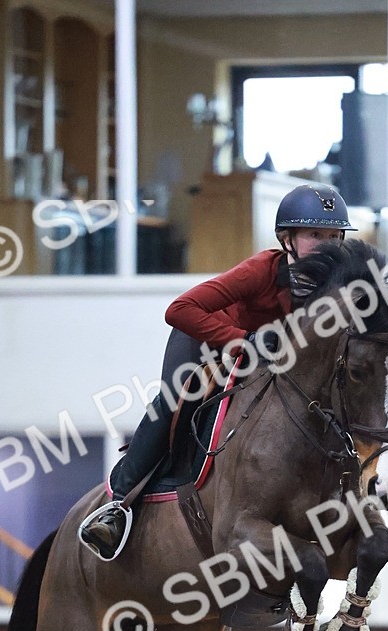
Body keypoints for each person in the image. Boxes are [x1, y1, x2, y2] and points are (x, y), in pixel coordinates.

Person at [79, 183, 355, 560]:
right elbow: (180, 309)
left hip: (267, 361)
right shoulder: (260, 271)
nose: (325, 245)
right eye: (313, 235)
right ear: (286, 238)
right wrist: (244, 341)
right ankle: (118, 507)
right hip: (206, 341)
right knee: (176, 399)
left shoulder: (338, 286)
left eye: (333, 236)